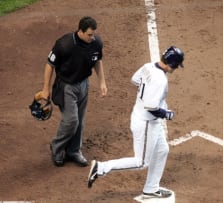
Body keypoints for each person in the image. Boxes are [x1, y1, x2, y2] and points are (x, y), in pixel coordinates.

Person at [87, 46, 184, 198]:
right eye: (176, 65)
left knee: (162, 150)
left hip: (142, 116)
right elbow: (151, 106)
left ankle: (151, 188)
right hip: (146, 123)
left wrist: (147, 91)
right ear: (172, 64)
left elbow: (135, 80)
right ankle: (100, 168)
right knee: (141, 162)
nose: (176, 68)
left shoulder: (148, 66)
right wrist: (166, 114)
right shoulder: (160, 80)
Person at [41, 16, 108, 167]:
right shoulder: (64, 44)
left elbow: (97, 60)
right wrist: (46, 88)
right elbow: (49, 65)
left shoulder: (96, 43)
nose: (92, 37)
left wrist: (102, 81)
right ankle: (57, 148)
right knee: (72, 120)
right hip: (66, 86)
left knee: (80, 120)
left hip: (84, 84)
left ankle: (74, 151)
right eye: (90, 34)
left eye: (93, 34)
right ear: (81, 31)